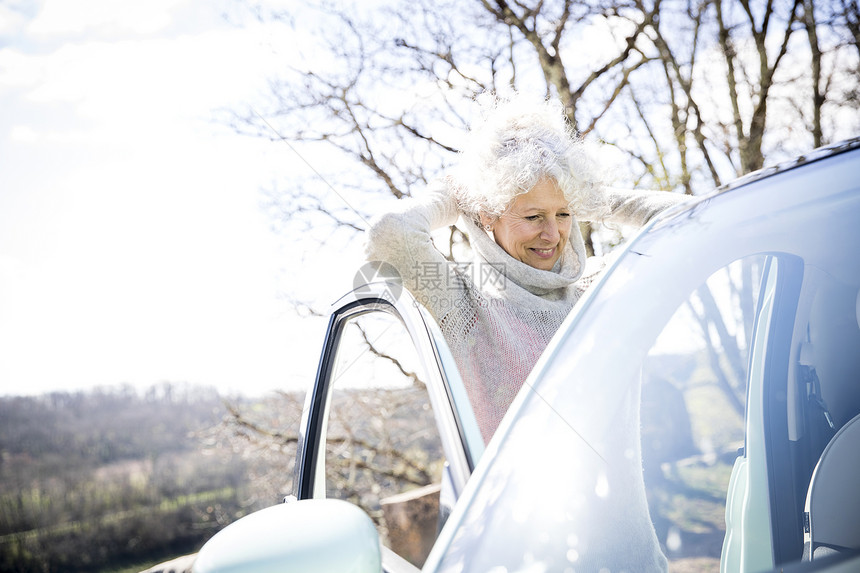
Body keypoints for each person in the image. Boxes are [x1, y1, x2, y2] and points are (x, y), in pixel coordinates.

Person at [365, 92, 688, 443]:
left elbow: (695, 219)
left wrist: (587, 196)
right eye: (533, 216)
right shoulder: (462, 300)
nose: (552, 234)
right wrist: (454, 195)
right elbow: (389, 232)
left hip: (617, 499)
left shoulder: (597, 285)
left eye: (564, 214)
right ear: (487, 213)